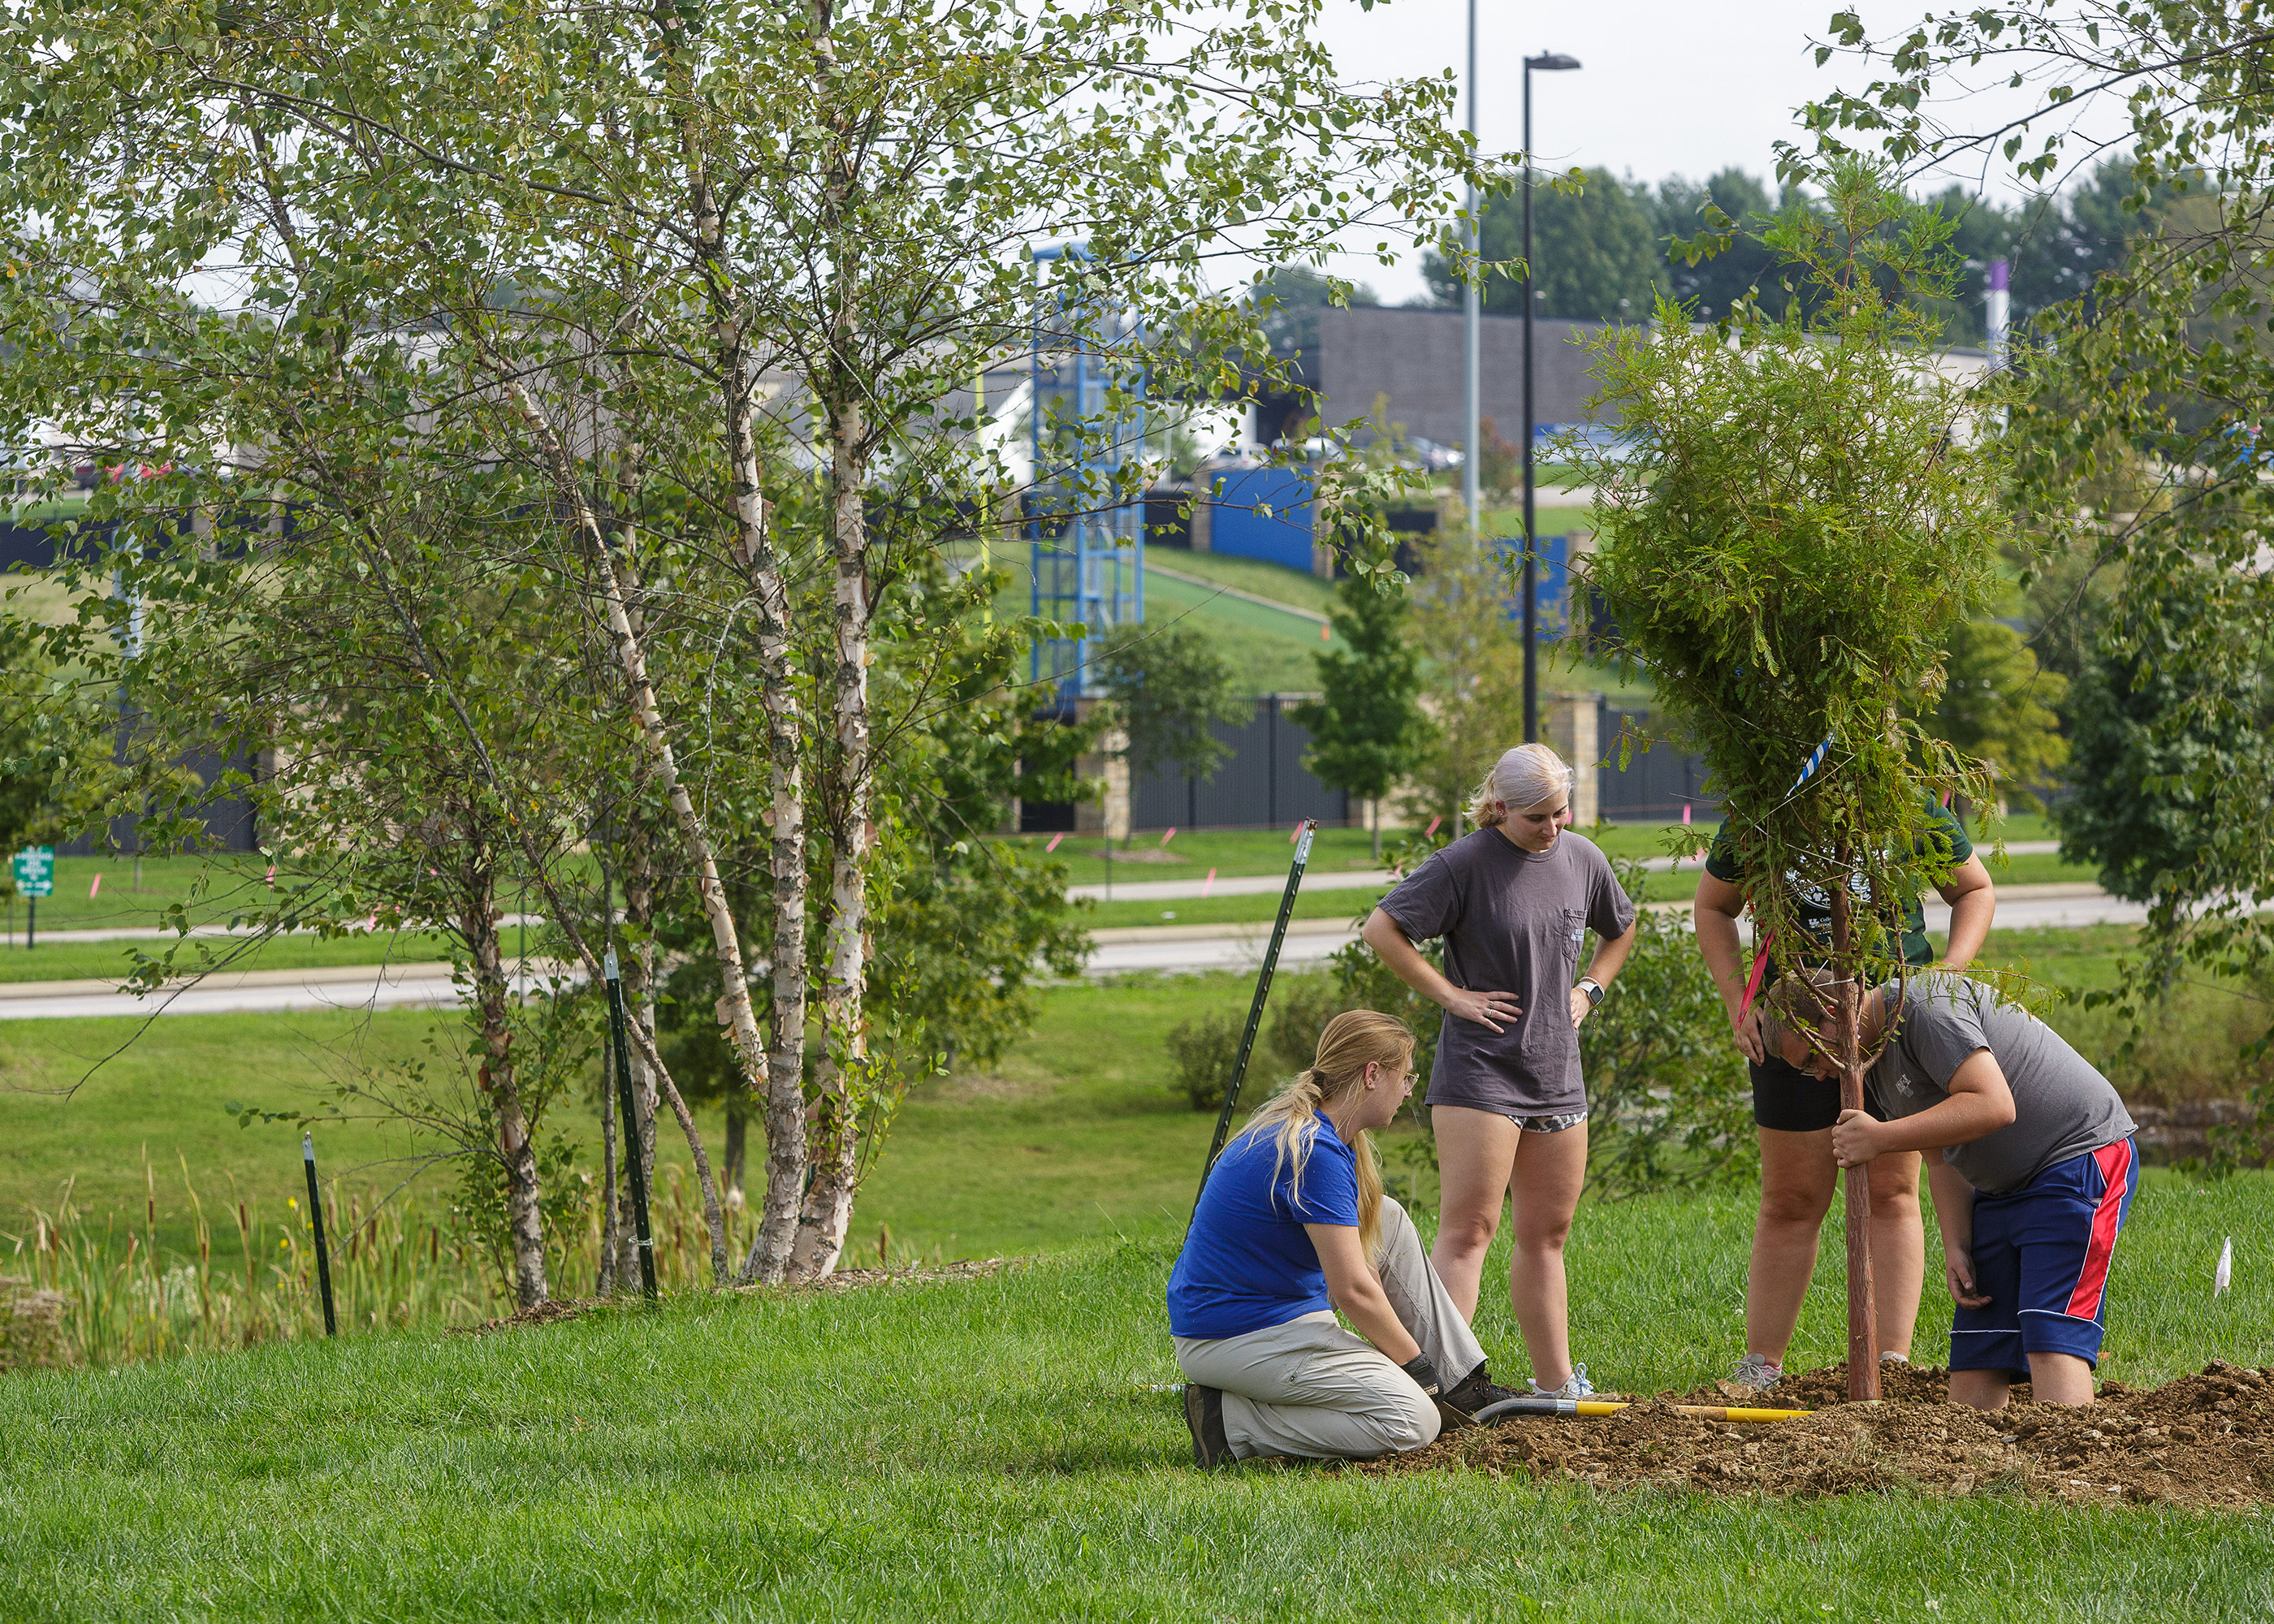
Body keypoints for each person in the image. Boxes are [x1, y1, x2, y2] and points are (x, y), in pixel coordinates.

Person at [1359, 744, 1637, 1398]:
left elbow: (1619, 928)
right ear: (1501, 807)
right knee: (1469, 1230)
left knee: (1547, 1235)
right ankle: (1443, 1388)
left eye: (1561, 813)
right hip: (1480, 1073)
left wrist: (1591, 990)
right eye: (1537, 817)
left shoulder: (1583, 858)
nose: (1552, 828)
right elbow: (1383, 929)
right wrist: (1452, 996)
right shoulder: (1464, 864)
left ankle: (1556, 1384)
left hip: (1556, 1073)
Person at [1693, 799, 1995, 1394]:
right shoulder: (1766, 807)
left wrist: (1946, 977)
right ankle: (1761, 1367)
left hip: (1891, 1025)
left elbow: (1974, 889)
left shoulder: (1898, 798)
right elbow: (1712, 905)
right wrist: (1740, 1001)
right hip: (1794, 1027)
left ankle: (1889, 1365)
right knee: (1790, 1198)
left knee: (1891, 1190)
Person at [1761, 969, 2140, 1409]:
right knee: (1979, 1352)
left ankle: (2071, 1470)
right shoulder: (1874, 1062)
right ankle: (1987, 1475)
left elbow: (1993, 1104)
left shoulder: (1924, 1009)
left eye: (1811, 1059)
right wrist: (1958, 1244)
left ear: (1832, 1012)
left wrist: (1881, 1137)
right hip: (1999, 1190)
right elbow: (1940, 1155)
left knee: (2049, 1333)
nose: (1821, 1076)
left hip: (2076, 1158)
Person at [1169, 1010, 1528, 1466]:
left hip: (1255, 1322)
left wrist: (1434, 1375)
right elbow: (1354, 1291)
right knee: (1414, 1419)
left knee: (1388, 1218)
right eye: (1406, 1076)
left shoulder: (1316, 1130)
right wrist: (1417, 1371)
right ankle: (1230, 1423)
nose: (1408, 1090)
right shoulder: (1314, 1150)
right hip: (1235, 1336)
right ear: (1373, 1075)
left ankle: (1464, 1386)